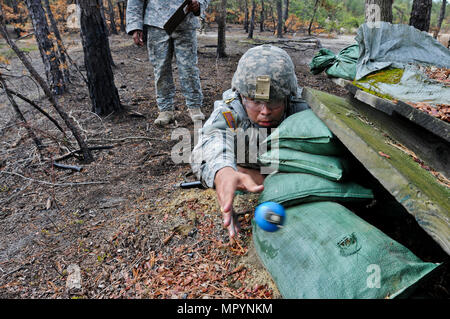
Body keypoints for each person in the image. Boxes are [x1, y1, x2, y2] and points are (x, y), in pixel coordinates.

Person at [191, 44, 310, 240]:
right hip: (247, 169)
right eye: (255, 102)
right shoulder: (231, 110)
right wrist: (223, 173)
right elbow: (210, 139)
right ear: (241, 96)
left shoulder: (301, 108)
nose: (265, 111)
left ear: (288, 96)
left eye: (273, 101)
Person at [126, 0, 209, 125]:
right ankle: (165, 110)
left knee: (189, 68)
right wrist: (134, 26)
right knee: (161, 69)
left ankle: (194, 106)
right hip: (156, 23)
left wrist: (199, 4)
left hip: (185, 22)